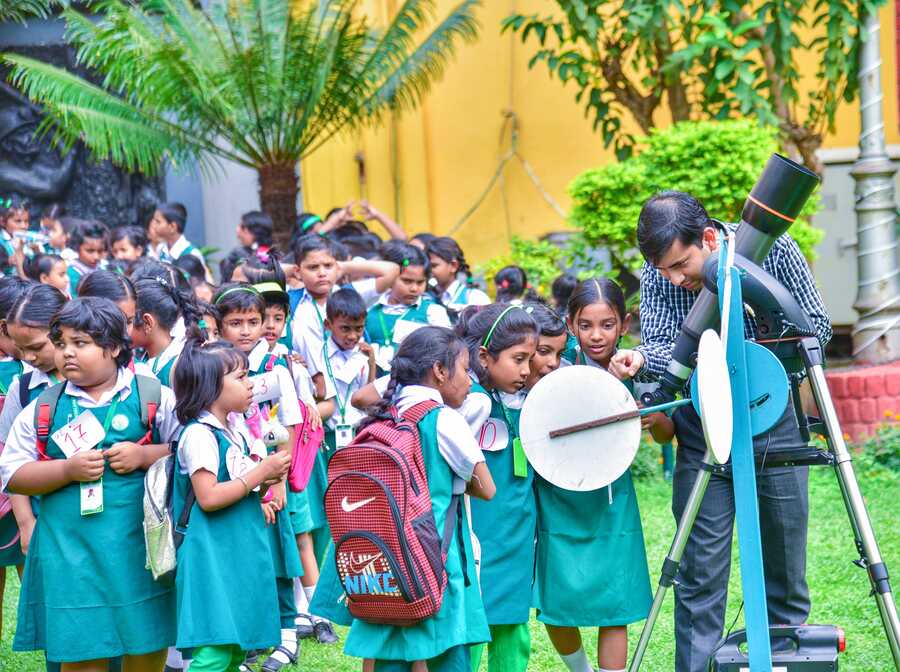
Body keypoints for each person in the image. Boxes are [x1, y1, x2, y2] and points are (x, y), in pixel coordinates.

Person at [610, 191, 832, 672]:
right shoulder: (659, 272)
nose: (674, 278)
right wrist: (644, 358)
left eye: (681, 264)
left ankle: (784, 661)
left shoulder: (774, 248)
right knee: (698, 573)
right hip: (703, 426)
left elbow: (817, 326)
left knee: (784, 570)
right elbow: (665, 341)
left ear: (709, 238)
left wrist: (751, 316)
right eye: (663, 269)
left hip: (775, 419)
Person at [0, 297, 181, 670]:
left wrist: (145, 455)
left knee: (145, 648)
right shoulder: (44, 407)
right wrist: (66, 471)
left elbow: (189, 451)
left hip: (139, 551)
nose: (67, 353)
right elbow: (13, 474)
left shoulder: (152, 396)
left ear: (114, 347)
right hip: (71, 554)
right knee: (82, 652)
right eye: (62, 342)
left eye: (80, 343)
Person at [341, 326, 495, 671]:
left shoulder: (380, 416)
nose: (470, 380)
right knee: (441, 648)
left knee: (385, 647)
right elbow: (486, 488)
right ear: (440, 372)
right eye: (465, 369)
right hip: (435, 555)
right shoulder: (445, 421)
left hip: (381, 561)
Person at [536, 279, 662, 672]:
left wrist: (653, 415)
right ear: (570, 324)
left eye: (607, 325)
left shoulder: (637, 366)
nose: (596, 335)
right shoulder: (556, 363)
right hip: (558, 493)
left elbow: (666, 433)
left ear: (624, 324)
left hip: (611, 497)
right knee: (556, 602)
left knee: (615, 601)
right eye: (586, 325)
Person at [171, 340, 292, 672]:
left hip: (233, 550)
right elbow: (208, 497)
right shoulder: (199, 435)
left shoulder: (233, 431)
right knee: (215, 650)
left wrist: (267, 479)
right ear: (210, 387)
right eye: (241, 377)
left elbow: (239, 485)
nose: (250, 383)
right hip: (208, 553)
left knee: (237, 647)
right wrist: (259, 475)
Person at [214, 283, 308, 671]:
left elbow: (289, 429)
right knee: (242, 559)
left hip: (270, 476)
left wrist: (278, 482)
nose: (247, 330)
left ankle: (287, 635)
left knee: (279, 555)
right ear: (218, 326)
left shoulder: (277, 369)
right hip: (234, 477)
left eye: (255, 321)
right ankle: (248, 637)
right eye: (236, 322)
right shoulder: (212, 365)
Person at [455, 303, 538, 672]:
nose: (526, 370)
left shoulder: (521, 397)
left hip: (516, 529)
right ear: (485, 356)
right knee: (472, 623)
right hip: (479, 530)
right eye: (518, 359)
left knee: (513, 623)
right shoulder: (469, 401)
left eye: (530, 359)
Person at [289, 234, 398, 393]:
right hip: (310, 390)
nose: (322, 273)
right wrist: (292, 270)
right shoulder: (291, 301)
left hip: (351, 386)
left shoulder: (350, 294)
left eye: (328, 265)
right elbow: (243, 273)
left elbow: (392, 270)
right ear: (298, 271)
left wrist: (344, 266)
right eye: (313, 267)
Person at [364, 242, 450, 373]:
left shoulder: (433, 313)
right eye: (407, 281)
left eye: (420, 282)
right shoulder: (369, 311)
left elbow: (446, 353)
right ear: (389, 277)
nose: (414, 288)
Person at [131, 278, 200, 388]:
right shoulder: (146, 359)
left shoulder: (179, 368)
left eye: (128, 321)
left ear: (147, 323)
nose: (118, 327)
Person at [425, 236, 490, 318]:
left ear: (453, 266)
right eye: (427, 266)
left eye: (434, 266)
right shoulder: (425, 297)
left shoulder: (475, 298)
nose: (429, 271)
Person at [150, 202, 208, 269]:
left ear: (172, 227)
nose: (153, 225)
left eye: (158, 222)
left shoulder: (193, 254)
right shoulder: (161, 249)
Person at [65, 219, 108, 295]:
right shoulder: (71, 274)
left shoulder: (104, 268)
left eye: (100, 251)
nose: (96, 256)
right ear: (77, 248)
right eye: (90, 251)